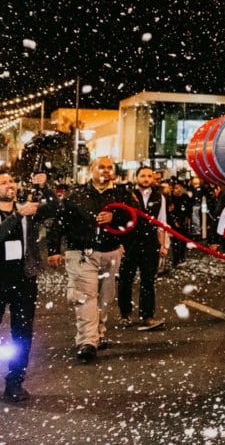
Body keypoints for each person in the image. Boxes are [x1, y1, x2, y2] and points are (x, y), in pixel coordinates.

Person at [47, 156, 136, 363]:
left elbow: (134, 219)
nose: (105, 171)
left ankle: (99, 331)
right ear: (91, 170)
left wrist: (116, 218)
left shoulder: (122, 195)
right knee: (85, 297)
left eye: (109, 167)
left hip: (111, 252)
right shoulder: (75, 195)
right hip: (82, 253)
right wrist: (54, 249)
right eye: (101, 167)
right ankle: (87, 341)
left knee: (105, 296)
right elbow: (59, 224)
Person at [0, 171, 42, 403]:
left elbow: (55, 209)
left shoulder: (27, 210)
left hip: (23, 280)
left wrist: (43, 188)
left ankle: (15, 382)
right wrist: (16, 215)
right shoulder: (20, 213)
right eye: (4, 183)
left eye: (12, 181)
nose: (10, 185)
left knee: (22, 333)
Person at [117, 167, 168, 331]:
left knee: (148, 281)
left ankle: (147, 316)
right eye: (143, 175)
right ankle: (125, 314)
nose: (146, 179)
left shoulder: (159, 197)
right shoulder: (127, 195)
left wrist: (163, 245)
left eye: (149, 176)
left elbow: (162, 223)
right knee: (126, 280)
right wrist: (120, 244)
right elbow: (119, 219)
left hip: (150, 243)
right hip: (129, 243)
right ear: (136, 176)